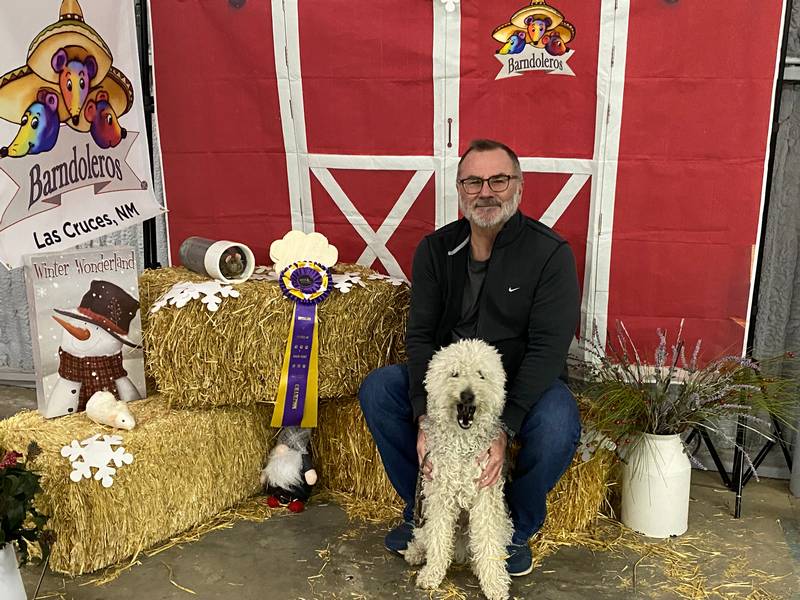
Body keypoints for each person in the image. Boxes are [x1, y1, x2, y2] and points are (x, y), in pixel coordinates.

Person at [358, 139, 581, 577]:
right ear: (459, 190)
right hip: (451, 379)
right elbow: (420, 336)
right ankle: (422, 511)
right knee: (380, 389)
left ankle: (512, 529)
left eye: (498, 179)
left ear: (519, 186)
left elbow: (548, 349)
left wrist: (504, 425)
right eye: (474, 181)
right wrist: (424, 416)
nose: (486, 192)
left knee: (559, 422)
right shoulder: (435, 250)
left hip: (518, 382)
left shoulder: (550, 254)